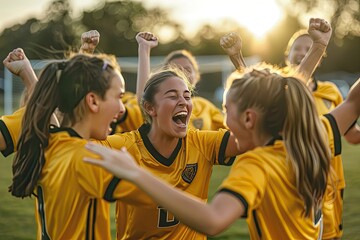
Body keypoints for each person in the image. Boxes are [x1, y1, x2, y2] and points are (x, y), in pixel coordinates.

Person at [7, 53, 129, 239]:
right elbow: (155, 200)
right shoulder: (87, 159)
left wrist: (27, 73)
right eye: (119, 97)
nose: (122, 109)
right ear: (92, 101)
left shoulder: (48, 144)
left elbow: (46, 117)